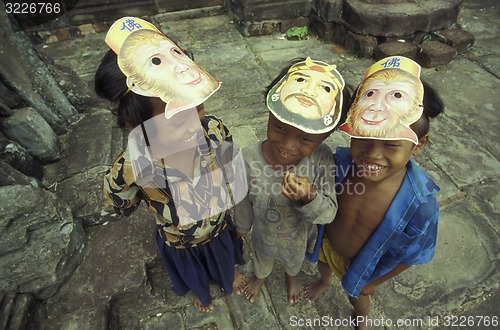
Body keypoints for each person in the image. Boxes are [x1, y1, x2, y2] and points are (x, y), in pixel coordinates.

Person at [96, 16, 246, 312]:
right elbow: (120, 203)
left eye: (198, 106)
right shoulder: (130, 167)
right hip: (180, 240)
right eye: (178, 118)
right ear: (132, 123)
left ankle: (228, 275)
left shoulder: (213, 130)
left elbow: (230, 167)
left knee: (224, 257)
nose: (195, 123)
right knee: (193, 273)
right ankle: (200, 292)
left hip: (218, 224)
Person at [304, 56, 443, 330]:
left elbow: (413, 255)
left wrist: (374, 282)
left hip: (363, 267)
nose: (372, 154)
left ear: (419, 145)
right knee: (324, 264)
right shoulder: (340, 164)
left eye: (390, 145)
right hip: (327, 242)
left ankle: (362, 317)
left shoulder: (421, 204)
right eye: (364, 139)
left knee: (358, 297)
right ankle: (324, 280)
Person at [235, 57, 349, 305]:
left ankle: (292, 278)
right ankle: (260, 277)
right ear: (270, 113)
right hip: (263, 233)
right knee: (262, 259)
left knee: (293, 261)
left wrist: (310, 197)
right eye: (279, 127)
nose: (287, 145)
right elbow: (242, 198)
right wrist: (242, 225)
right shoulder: (247, 158)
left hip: (298, 237)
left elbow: (328, 213)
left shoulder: (321, 160)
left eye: (305, 139)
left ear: (325, 136)